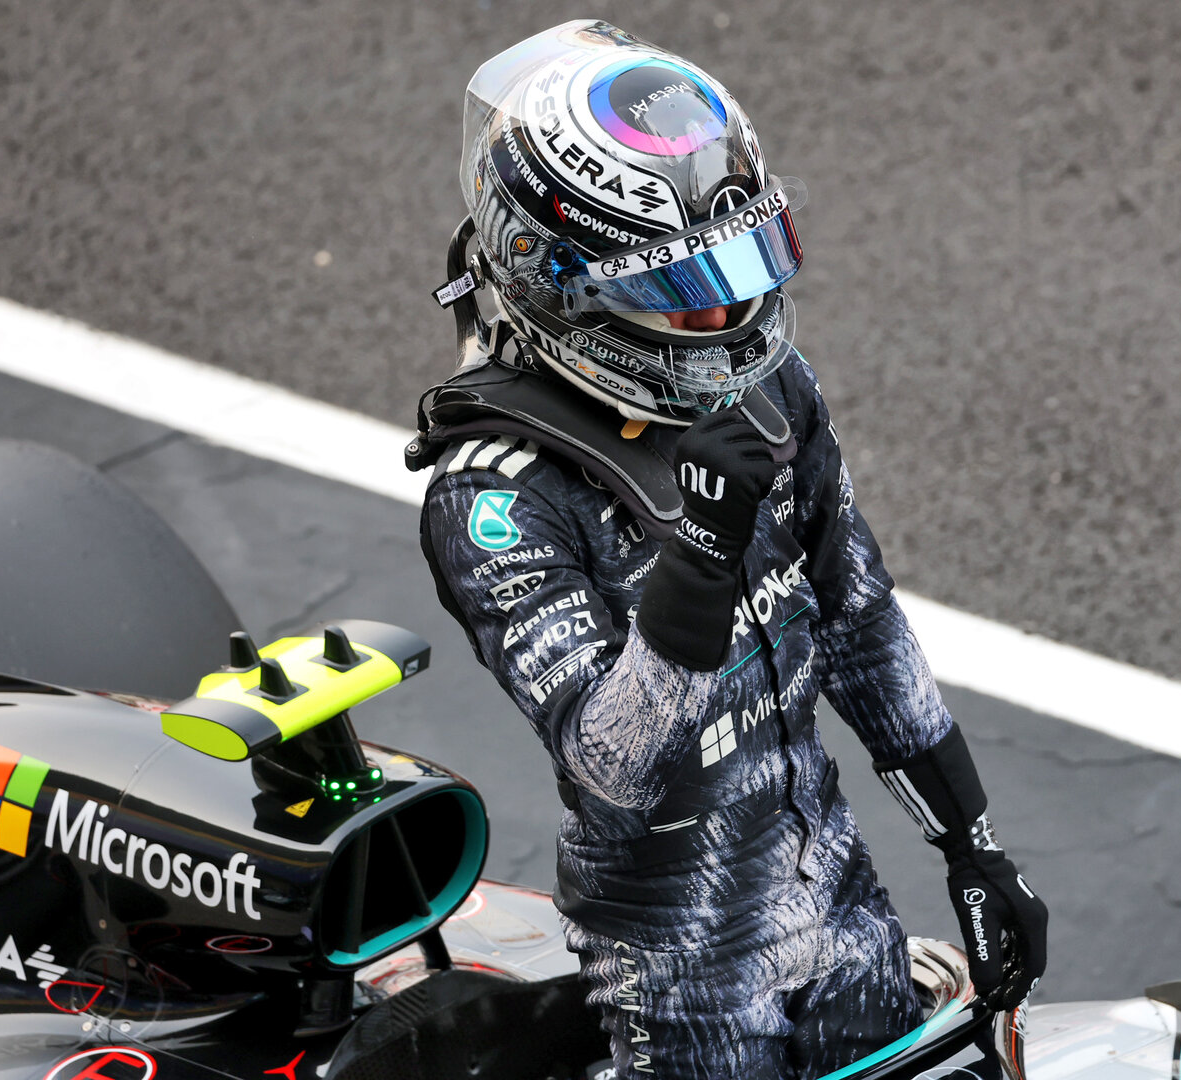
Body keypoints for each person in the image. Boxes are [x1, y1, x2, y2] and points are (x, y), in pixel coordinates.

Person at [416, 20, 1047, 1080]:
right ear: (558, 282)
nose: (728, 316)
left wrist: (972, 847)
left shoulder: (771, 393)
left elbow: (857, 618)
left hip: (844, 919)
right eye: (682, 290)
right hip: (686, 980)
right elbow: (614, 766)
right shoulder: (492, 500)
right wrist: (702, 552)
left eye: (735, 267)